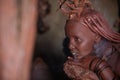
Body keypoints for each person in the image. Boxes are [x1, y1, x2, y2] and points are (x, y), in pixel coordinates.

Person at [58, 0, 120, 80]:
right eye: (68, 38)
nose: (70, 46)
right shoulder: (83, 61)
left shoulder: (117, 59)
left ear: (97, 36)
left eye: (77, 39)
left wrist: (99, 65)